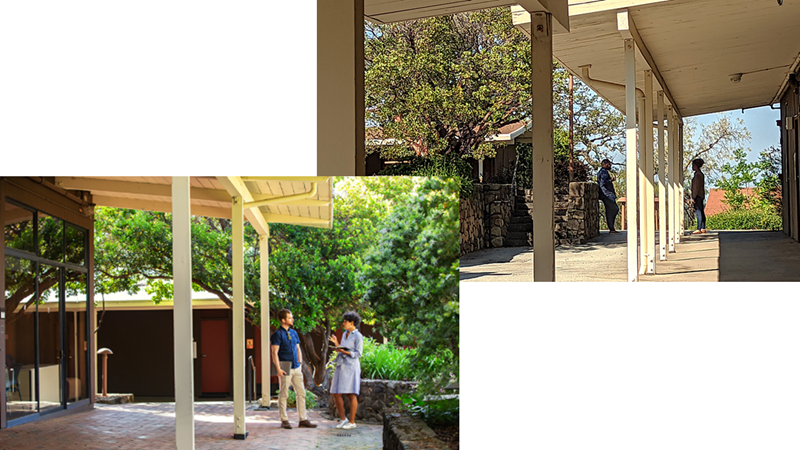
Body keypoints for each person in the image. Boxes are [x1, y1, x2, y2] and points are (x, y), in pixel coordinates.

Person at [271, 309, 317, 429]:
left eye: (292, 317)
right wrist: (278, 368)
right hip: (284, 364)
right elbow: (274, 353)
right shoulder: (277, 334)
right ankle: (284, 420)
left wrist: (300, 363)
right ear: (283, 320)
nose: (292, 319)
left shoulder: (294, 333)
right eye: (290, 318)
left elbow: (298, 349)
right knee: (284, 393)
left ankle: (303, 419)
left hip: (296, 366)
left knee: (301, 393)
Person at [328, 311, 364, 430]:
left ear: (351, 323)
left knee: (351, 393)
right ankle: (343, 419)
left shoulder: (358, 336)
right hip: (341, 365)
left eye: (345, 321)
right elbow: (340, 349)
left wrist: (344, 351)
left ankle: (352, 421)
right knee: (335, 392)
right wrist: (336, 343)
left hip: (351, 367)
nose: (343, 323)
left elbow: (358, 353)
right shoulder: (345, 334)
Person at [597, 159, 620, 233]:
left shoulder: (602, 172)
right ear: (605, 164)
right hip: (607, 194)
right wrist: (610, 180)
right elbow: (602, 183)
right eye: (609, 164)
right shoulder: (603, 172)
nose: (610, 166)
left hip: (607, 194)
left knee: (611, 210)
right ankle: (611, 228)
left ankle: (612, 228)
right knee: (614, 209)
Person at [691, 158, 707, 234]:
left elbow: (696, 187)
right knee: (701, 210)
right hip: (701, 194)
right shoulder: (701, 174)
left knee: (698, 211)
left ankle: (699, 228)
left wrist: (693, 197)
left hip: (697, 195)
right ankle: (703, 227)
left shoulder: (697, 175)